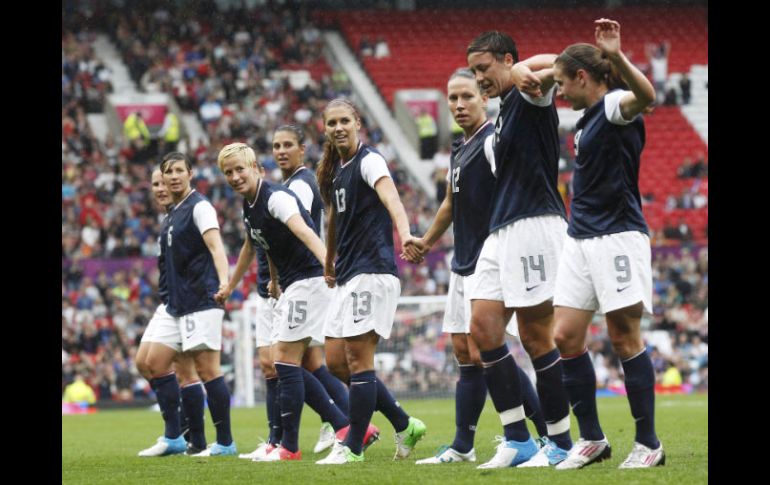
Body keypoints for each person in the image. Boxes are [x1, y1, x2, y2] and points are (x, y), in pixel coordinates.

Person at [405, 68, 550, 465]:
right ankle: (463, 446)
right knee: (464, 351)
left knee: (484, 347)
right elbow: (451, 205)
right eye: (452, 98)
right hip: (462, 259)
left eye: (467, 96)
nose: (459, 104)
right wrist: (427, 241)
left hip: (491, 259)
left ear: (483, 99)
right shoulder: (460, 147)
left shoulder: (491, 143)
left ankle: (541, 437)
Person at [548, 19, 663, 469]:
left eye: (562, 83)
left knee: (623, 336)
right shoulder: (584, 120)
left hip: (617, 235)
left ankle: (649, 443)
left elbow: (648, 97)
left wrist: (615, 55)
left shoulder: (614, 104)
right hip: (580, 237)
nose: (557, 92)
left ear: (583, 77)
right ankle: (593, 439)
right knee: (565, 336)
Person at [466, 32, 573, 468]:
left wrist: (523, 69)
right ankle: (518, 439)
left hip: (535, 224)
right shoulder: (504, 113)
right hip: (501, 230)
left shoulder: (530, 95)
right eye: (474, 71)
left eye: (484, 68)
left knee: (534, 336)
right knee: (483, 327)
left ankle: (561, 442)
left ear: (507, 60)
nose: (479, 78)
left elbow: (566, 58)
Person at [215, 142, 350, 462]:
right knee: (287, 363)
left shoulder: (274, 197)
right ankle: (338, 428)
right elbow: (261, 245)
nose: (235, 176)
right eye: (228, 172)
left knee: (286, 362)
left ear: (256, 169)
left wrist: (328, 264)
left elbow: (304, 231)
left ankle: (297, 443)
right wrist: (242, 283)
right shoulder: (251, 205)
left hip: (309, 281)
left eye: (239, 169)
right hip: (292, 285)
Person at [315, 98, 426, 464]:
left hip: (373, 271)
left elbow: (391, 198)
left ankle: (353, 447)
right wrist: (329, 261)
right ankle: (404, 423)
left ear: (357, 122)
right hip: (348, 274)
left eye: (344, 120)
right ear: (326, 128)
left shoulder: (370, 160)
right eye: (332, 122)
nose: (338, 127)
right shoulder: (336, 172)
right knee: (336, 362)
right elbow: (334, 222)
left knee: (360, 361)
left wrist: (406, 233)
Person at [161, 151, 236, 457]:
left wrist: (224, 281)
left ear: (190, 173)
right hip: (182, 302)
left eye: (180, 170)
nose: (174, 175)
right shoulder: (173, 212)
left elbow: (216, 246)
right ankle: (199, 440)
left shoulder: (199, 206)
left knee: (208, 370)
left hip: (202, 297)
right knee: (185, 368)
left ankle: (226, 442)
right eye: (169, 171)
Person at [136, 168, 207, 457]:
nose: (160, 188)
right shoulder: (169, 219)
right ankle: (183, 430)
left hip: (188, 302)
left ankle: (182, 435)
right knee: (144, 362)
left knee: (175, 367)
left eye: (164, 182)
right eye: (154, 184)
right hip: (169, 301)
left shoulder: (190, 212)